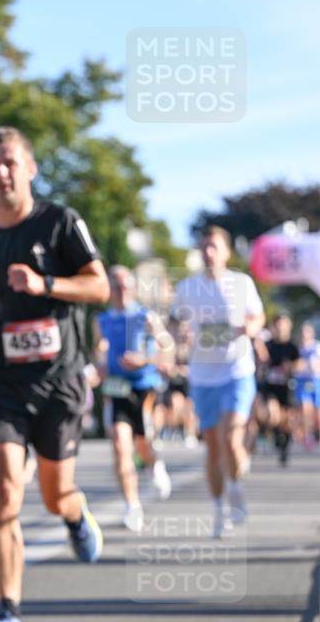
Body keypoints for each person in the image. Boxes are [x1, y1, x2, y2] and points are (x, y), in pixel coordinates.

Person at [0, 126, 109, 622]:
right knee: (5, 494)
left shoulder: (60, 222)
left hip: (59, 378)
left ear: (31, 168)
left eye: (10, 163)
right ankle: (9, 613)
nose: (1, 173)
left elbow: (99, 286)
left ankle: (73, 512)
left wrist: (44, 285)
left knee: (52, 492)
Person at [171, 225, 264, 537]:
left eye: (214, 247)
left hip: (236, 372)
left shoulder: (242, 283)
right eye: (204, 247)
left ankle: (236, 487)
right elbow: (174, 321)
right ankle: (218, 510)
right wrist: (178, 333)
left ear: (227, 252)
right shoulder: (187, 287)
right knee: (212, 447)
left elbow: (257, 316)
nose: (208, 253)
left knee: (231, 438)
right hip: (202, 376)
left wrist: (250, 328)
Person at [93, 266, 172, 533]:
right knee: (119, 445)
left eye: (125, 285)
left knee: (143, 444)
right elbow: (99, 351)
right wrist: (100, 363)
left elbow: (168, 348)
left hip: (144, 388)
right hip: (116, 389)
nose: (121, 291)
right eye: (115, 286)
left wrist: (145, 360)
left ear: (134, 288)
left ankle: (155, 464)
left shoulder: (145, 317)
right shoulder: (101, 319)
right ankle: (132, 505)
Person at [255, 313, 299, 465]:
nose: (280, 328)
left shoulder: (292, 346)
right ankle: (274, 435)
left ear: (289, 326)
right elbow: (261, 363)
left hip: (287, 387)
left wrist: (290, 367)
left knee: (287, 420)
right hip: (271, 387)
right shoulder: (268, 345)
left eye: (283, 325)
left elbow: (299, 364)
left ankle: (284, 446)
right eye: (278, 325)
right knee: (272, 414)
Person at [294, 321, 320, 450]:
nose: (305, 335)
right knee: (305, 408)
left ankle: (315, 432)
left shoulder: (316, 347)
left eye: (307, 332)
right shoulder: (297, 349)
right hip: (302, 382)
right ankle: (307, 435)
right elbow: (294, 367)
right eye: (302, 332)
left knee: (317, 413)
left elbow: (317, 367)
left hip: (316, 381)